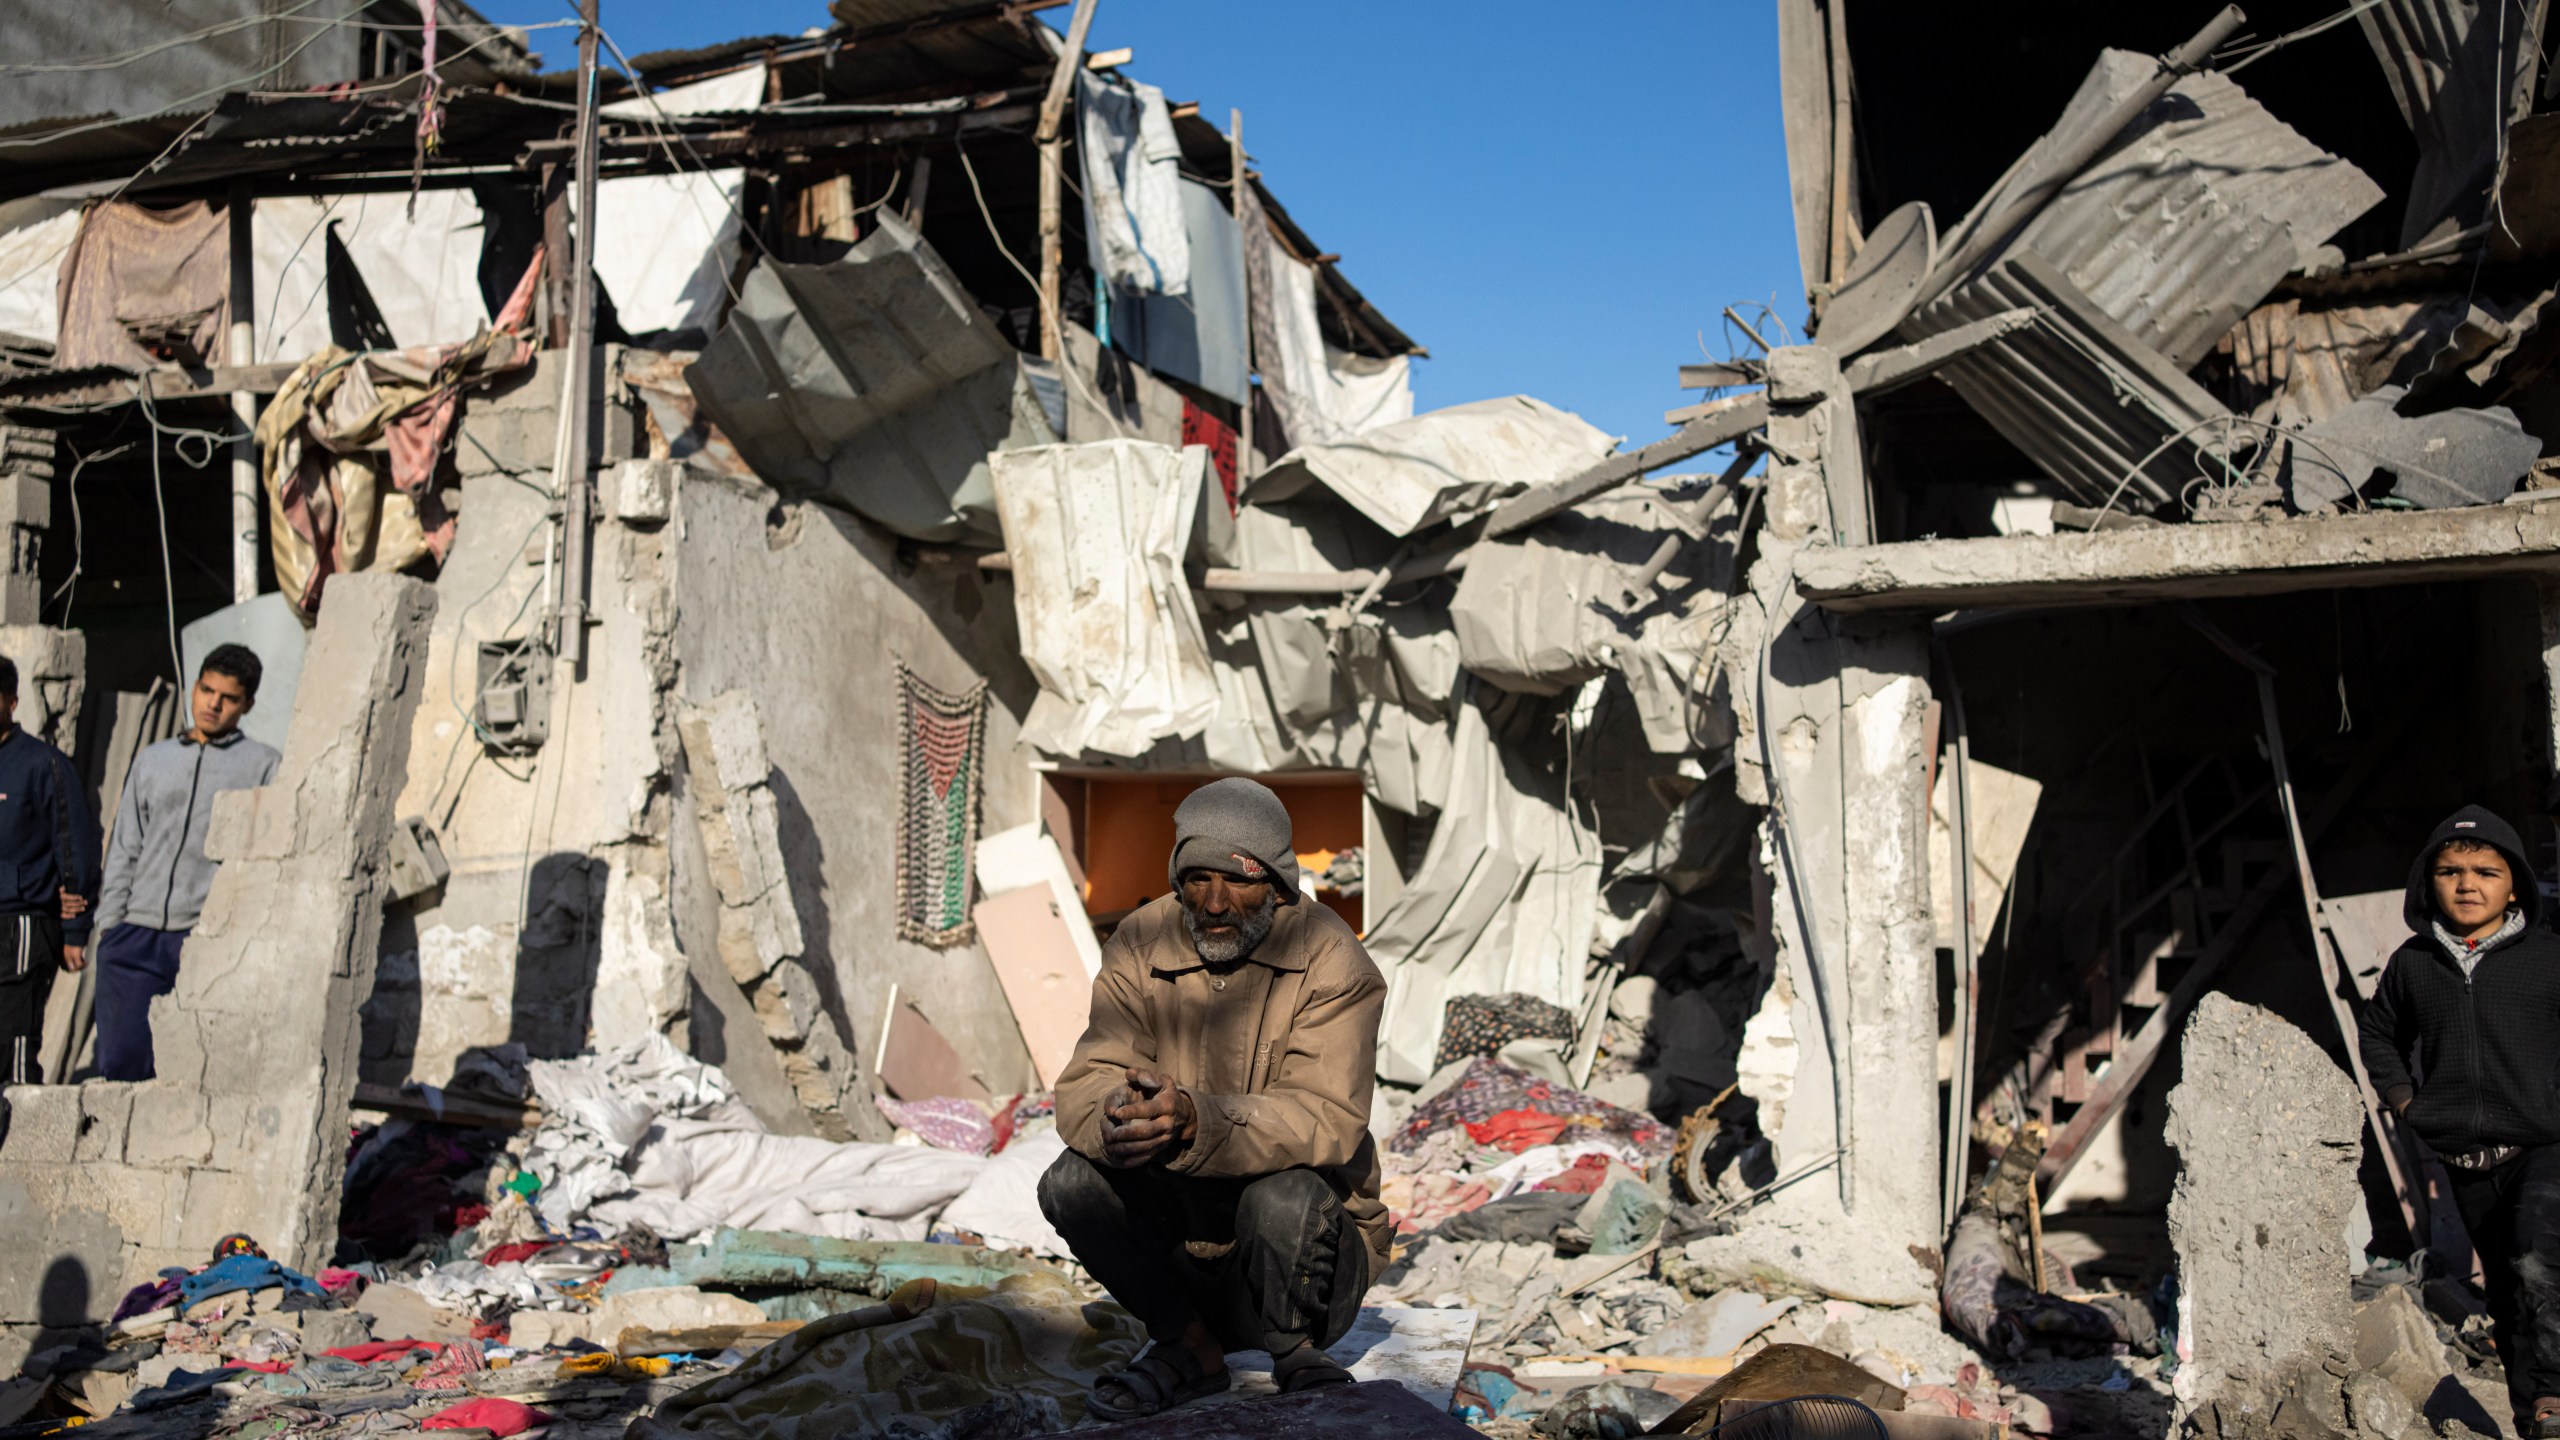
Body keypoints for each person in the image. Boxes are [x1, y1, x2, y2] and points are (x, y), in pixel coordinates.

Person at [1039, 777, 1388, 1422]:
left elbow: (1325, 1117)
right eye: (1198, 878)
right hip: (1187, 1258)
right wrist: (1118, 1119)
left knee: (1282, 1194)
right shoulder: (1141, 941)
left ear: (1279, 884)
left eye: (1241, 880)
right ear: (1177, 880)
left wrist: (1197, 1120)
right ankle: (1188, 1346)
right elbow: (1086, 1080)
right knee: (1069, 1182)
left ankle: (1296, 1351)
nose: (1218, 901)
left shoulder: (1335, 959)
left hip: (1299, 1265)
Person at [2359, 805, 2560, 1438]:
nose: (2467, 884)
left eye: (2485, 871)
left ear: (2514, 883)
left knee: (2539, 1262)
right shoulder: (2415, 964)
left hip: (2544, 1144)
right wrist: (2406, 1102)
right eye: (2450, 871)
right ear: (2430, 882)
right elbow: (2379, 1036)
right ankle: (2534, 1419)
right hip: (2465, 1155)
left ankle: (2555, 1395)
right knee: (2504, 1291)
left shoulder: (2549, 958)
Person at [92, 644, 280, 1081]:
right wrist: (113, 925)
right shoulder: (154, 759)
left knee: (194, 1073)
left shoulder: (264, 767)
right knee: (122, 1067)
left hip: (203, 941)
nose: (213, 704)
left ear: (247, 704)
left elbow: (264, 863)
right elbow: (125, 845)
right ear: (194, 687)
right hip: (133, 937)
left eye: (228, 698)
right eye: (206, 690)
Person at [0, 656, 100, 1083]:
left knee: (12, 1045)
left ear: (12, 701)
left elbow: (74, 848)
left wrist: (75, 930)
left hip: (21, 924)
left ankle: (21, 1146)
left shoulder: (43, 764)